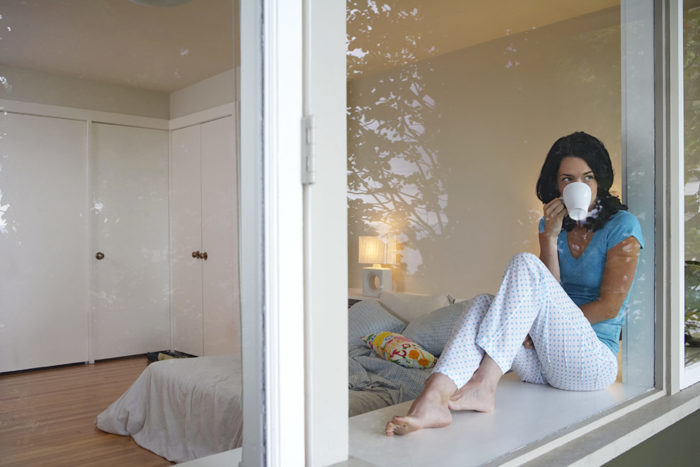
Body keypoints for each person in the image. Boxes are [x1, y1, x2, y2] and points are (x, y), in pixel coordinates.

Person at [385, 131, 644, 436]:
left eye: (587, 177)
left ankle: (484, 384)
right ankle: (432, 399)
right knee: (483, 303)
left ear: (599, 181)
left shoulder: (622, 226)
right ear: (557, 186)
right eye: (567, 179)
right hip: (544, 364)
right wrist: (549, 236)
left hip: (591, 363)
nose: (579, 186)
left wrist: (536, 328)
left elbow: (611, 306)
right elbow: (549, 290)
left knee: (524, 263)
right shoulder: (551, 226)